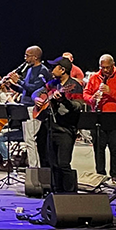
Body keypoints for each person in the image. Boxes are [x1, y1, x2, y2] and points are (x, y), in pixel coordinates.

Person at [34, 56, 85, 193]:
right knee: (53, 164)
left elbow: (78, 106)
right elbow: (36, 93)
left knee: (63, 163)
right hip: (51, 128)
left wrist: (64, 101)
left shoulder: (74, 85)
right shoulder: (52, 84)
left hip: (65, 130)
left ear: (62, 70)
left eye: (54, 67)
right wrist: (37, 98)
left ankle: (69, 193)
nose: (51, 70)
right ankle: (56, 192)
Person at [83, 54, 116, 184]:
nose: (105, 70)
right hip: (98, 117)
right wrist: (92, 98)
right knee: (98, 148)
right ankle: (100, 175)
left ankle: (115, 175)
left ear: (113, 65)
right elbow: (85, 94)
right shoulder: (94, 77)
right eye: (103, 67)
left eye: (108, 67)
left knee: (115, 148)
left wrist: (111, 92)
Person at [6, 45, 52, 168]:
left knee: (30, 139)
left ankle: (34, 167)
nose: (25, 58)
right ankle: (33, 167)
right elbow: (25, 90)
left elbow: (35, 89)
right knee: (28, 139)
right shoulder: (30, 69)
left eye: (27, 55)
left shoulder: (42, 70)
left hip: (34, 108)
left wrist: (18, 81)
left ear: (35, 57)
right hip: (25, 107)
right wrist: (12, 85)